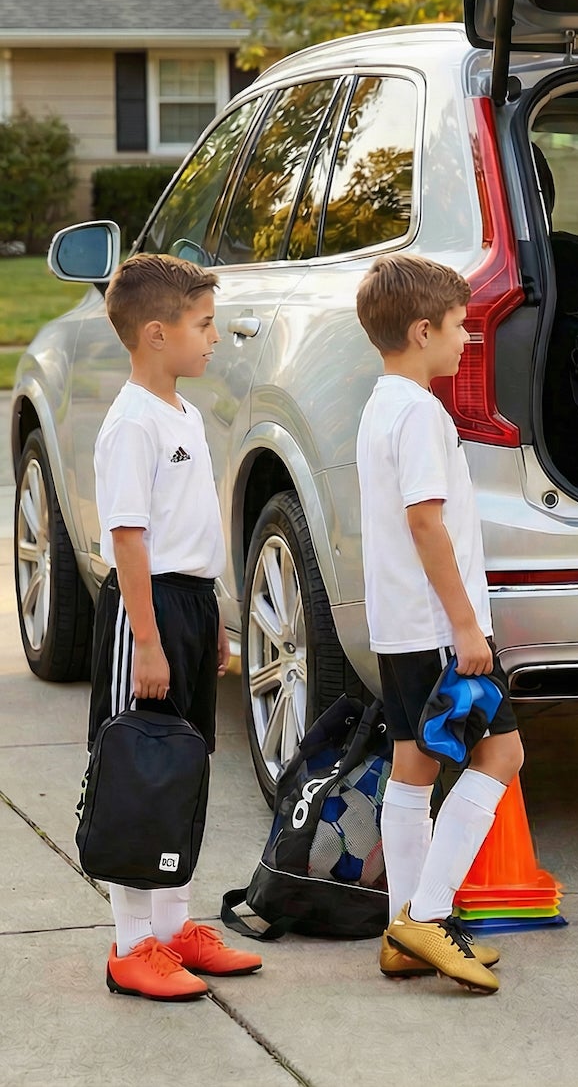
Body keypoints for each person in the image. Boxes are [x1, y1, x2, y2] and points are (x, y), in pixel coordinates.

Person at [89, 253, 263, 1000]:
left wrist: (213, 614)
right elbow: (129, 538)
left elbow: (189, 532)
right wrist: (149, 641)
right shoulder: (132, 423)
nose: (215, 338)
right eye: (204, 324)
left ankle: (173, 928)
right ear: (157, 333)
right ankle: (131, 947)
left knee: (183, 767)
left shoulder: (183, 413)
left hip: (188, 603)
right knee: (139, 772)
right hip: (148, 609)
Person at [355, 253, 525, 992]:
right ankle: (428, 914)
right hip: (436, 628)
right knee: (503, 754)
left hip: (401, 623)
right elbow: (426, 521)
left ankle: (404, 931)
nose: (467, 340)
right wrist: (466, 627)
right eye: (459, 327)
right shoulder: (422, 413)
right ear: (422, 331)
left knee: (413, 765)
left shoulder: (381, 404)